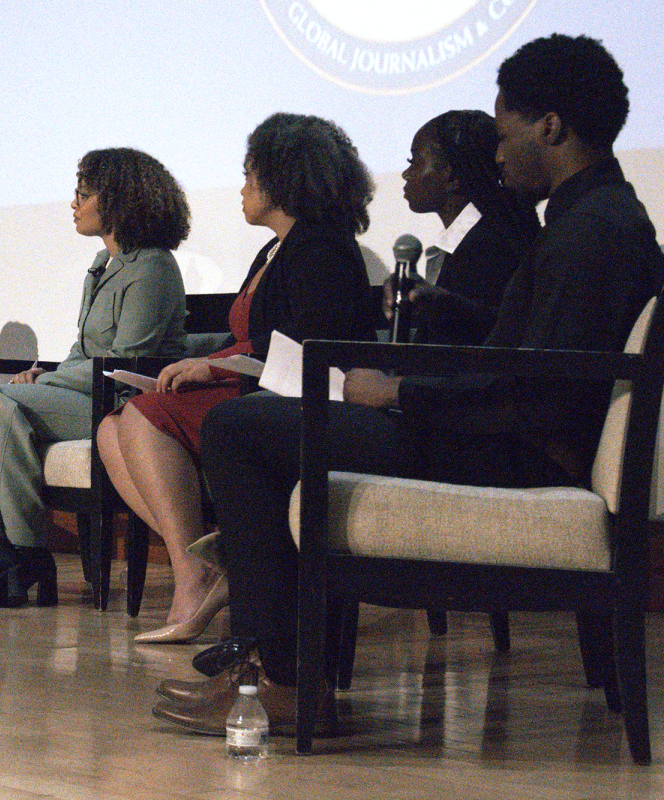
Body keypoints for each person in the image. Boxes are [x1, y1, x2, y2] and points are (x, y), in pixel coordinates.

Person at [153, 33, 664, 735]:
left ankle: (279, 681)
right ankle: (274, 667)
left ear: (551, 125)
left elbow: (538, 393)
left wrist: (396, 393)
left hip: (514, 457)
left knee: (239, 428)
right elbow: (526, 353)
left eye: (505, 129)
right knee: (268, 420)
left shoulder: (589, 233)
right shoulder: (594, 217)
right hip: (505, 438)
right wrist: (437, 334)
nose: (497, 150)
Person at [96, 114, 375, 642]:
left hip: (291, 396)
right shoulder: (274, 248)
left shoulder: (321, 246)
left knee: (141, 417)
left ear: (282, 178)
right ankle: (207, 567)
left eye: (250, 175)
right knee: (111, 428)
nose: (242, 189)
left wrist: (213, 365)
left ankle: (202, 577)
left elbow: (310, 342)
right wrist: (205, 362)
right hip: (254, 383)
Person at [0, 148, 191, 609]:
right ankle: (0, 552)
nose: (75, 204)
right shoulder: (101, 267)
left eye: (83, 194)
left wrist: (47, 385)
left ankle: (19, 554)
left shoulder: (153, 268)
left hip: (120, 402)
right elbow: (82, 353)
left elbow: (123, 361)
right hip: (84, 391)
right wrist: (43, 374)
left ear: (118, 202)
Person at [392, 109, 540, 346]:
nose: (406, 174)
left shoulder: (486, 248)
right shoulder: (486, 235)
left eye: (415, 162)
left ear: (453, 177)